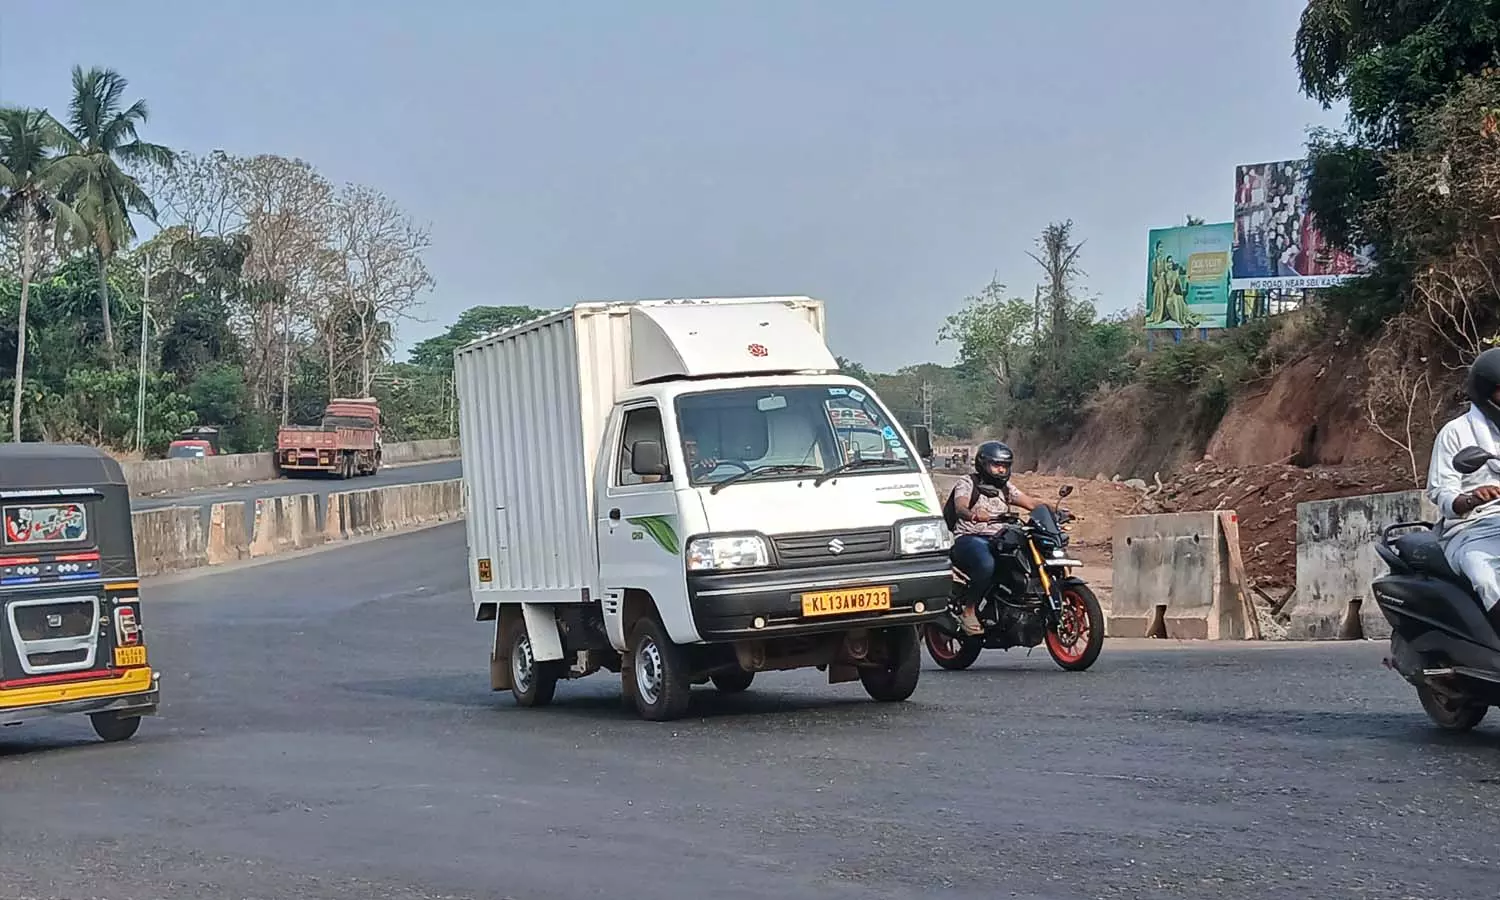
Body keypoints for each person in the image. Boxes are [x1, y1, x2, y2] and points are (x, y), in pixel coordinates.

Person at [1427, 348, 1500, 624]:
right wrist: (1471, 500)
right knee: (1484, 574)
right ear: (1486, 392)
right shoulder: (1456, 432)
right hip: (1471, 529)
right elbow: (1442, 491)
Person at [947, 441, 1039, 636]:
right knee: (987, 564)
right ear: (983, 464)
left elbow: (1030, 503)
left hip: (999, 539)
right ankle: (969, 610)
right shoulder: (967, 483)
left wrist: (1055, 511)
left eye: (1004, 466)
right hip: (970, 537)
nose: (1000, 470)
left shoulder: (1006, 489)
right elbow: (960, 507)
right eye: (996, 465)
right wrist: (973, 514)